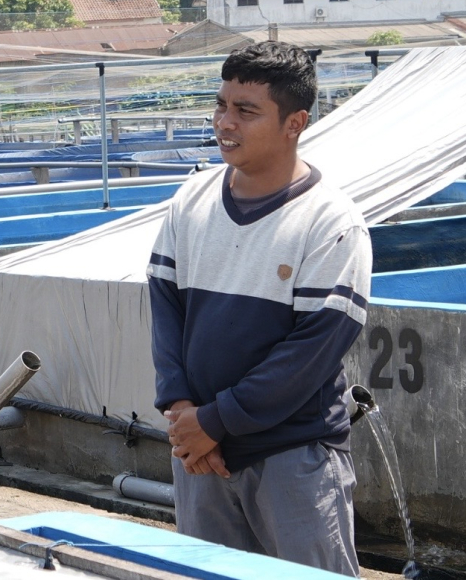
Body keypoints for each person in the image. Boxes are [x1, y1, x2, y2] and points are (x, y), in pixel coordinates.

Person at [147, 41, 371, 577]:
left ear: (295, 122)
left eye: (246, 111)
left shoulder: (330, 222)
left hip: (293, 455)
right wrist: (181, 410)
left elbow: (310, 353)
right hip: (199, 453)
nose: (226, 122)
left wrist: (213, 421)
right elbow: (164, 309)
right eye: (222, 105)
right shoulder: (192, 201)